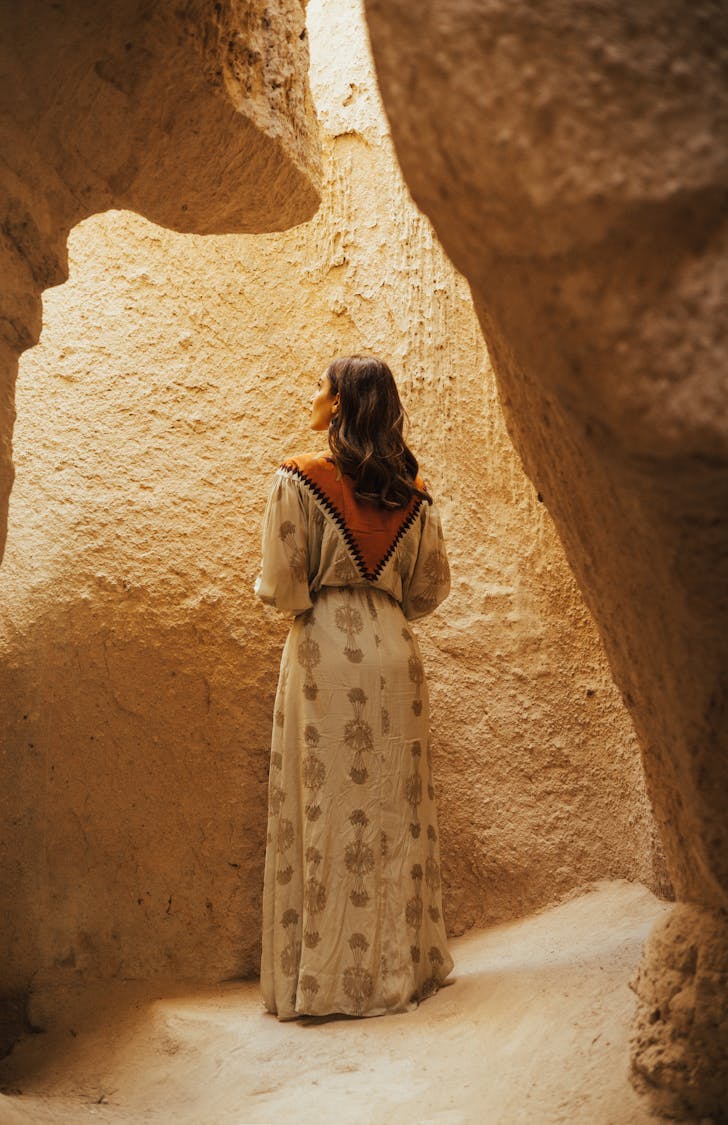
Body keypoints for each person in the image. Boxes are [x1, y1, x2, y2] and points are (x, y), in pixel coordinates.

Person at [254, 354, 454, 1020]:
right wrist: (384, 607)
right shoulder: (414, 491)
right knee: (392, 813)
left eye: (321, 385)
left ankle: (323, 980)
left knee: (324, 812)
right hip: (395, 655)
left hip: (322, 656)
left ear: (339, 402)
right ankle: (401, 970)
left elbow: (282, 584)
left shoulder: (298, 479)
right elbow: (428, 591)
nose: (313, 393)